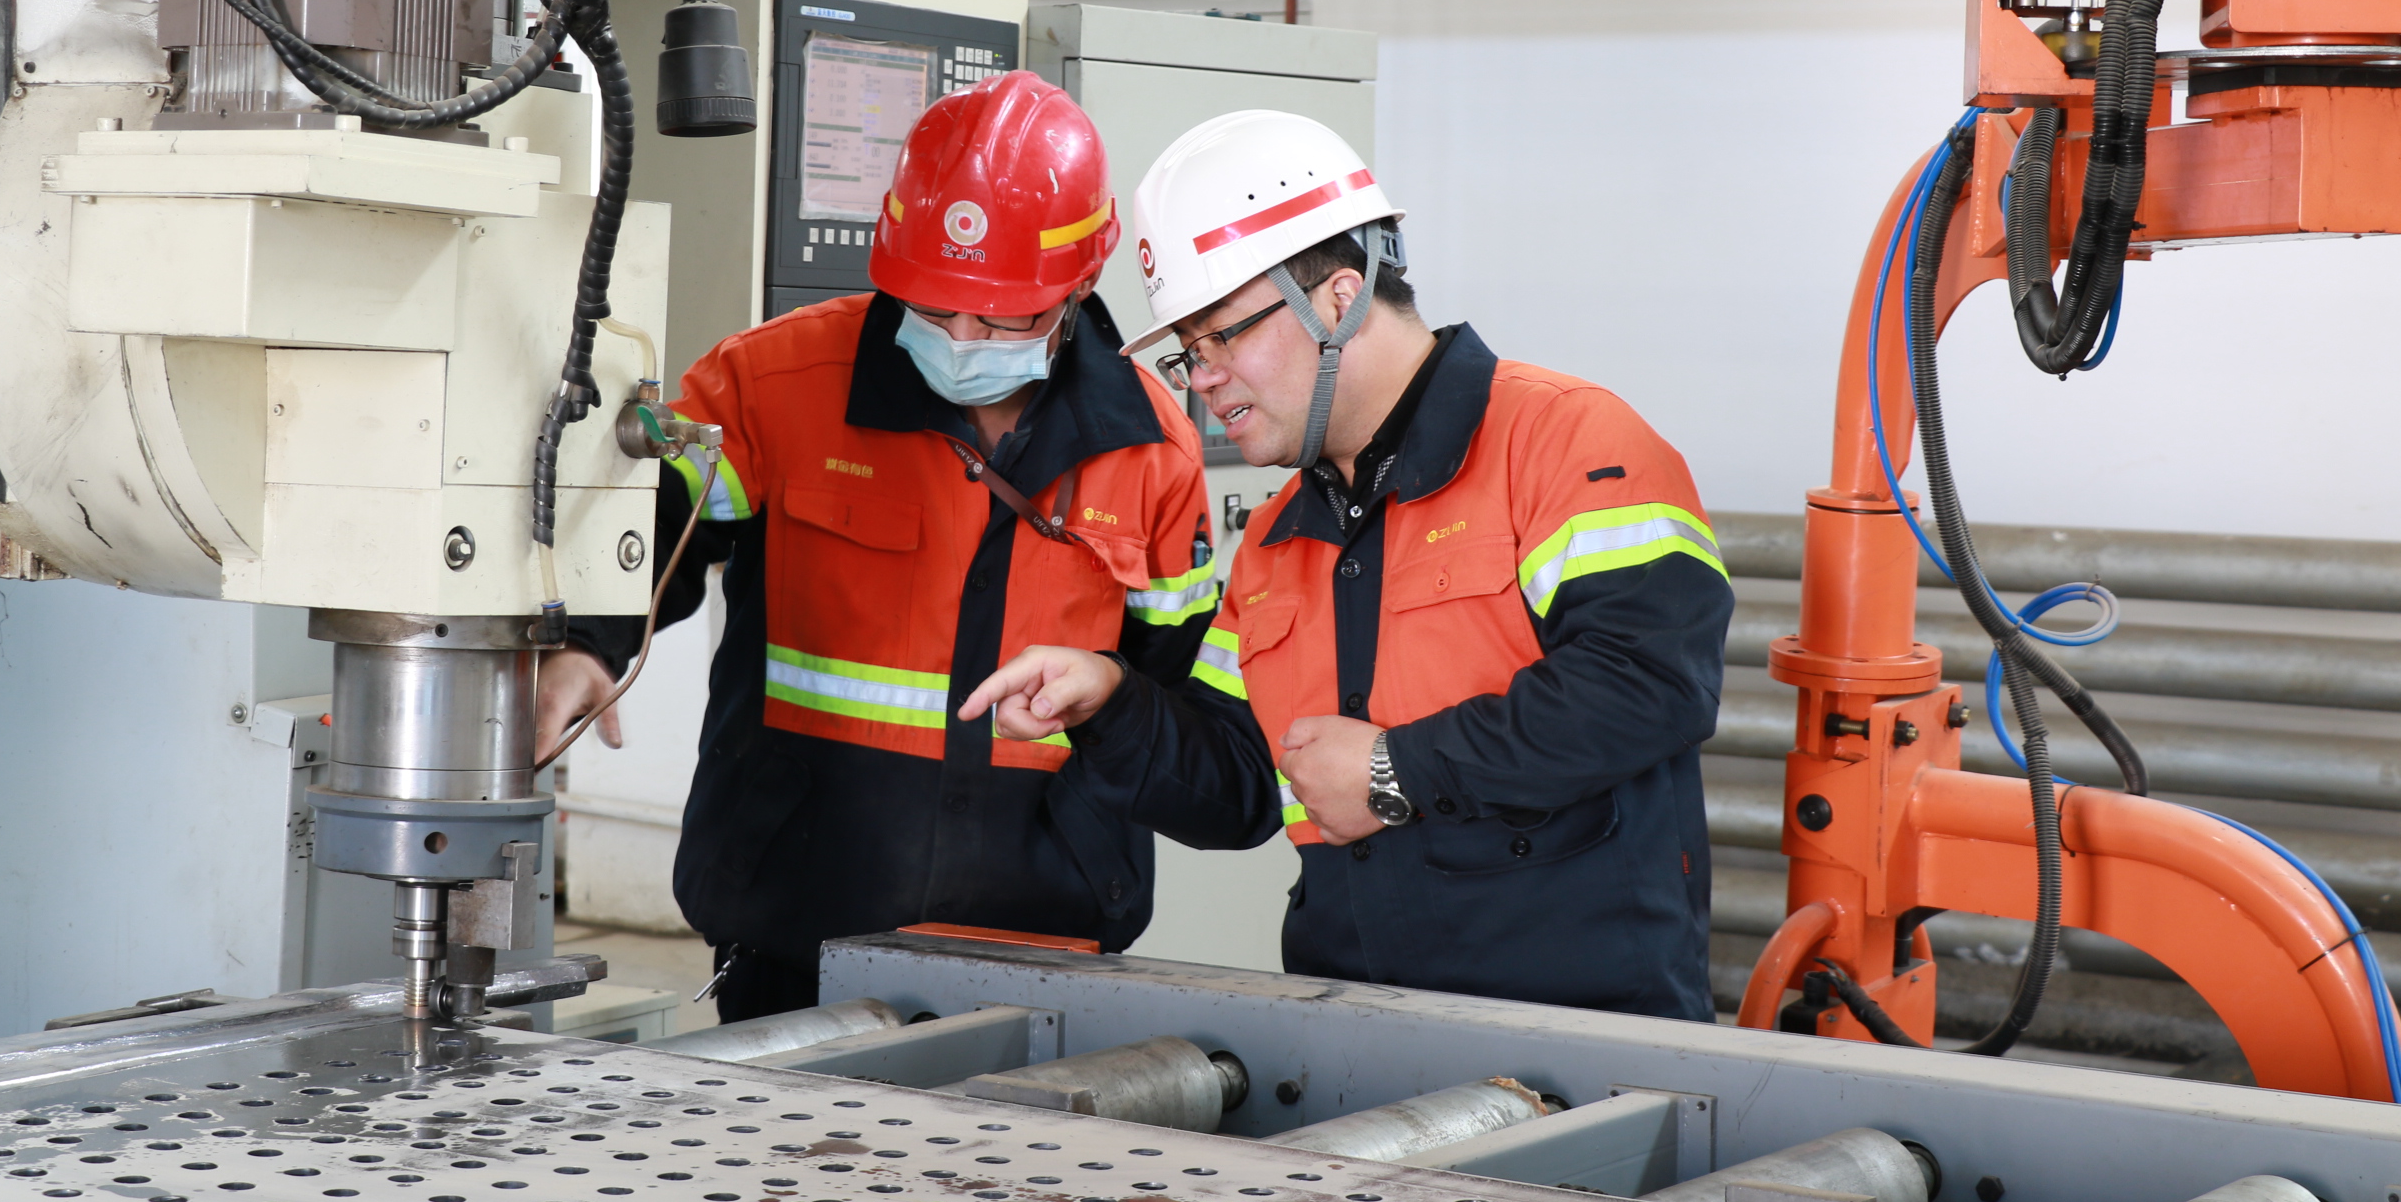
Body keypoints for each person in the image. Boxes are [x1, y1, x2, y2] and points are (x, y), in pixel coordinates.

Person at [958, 110, 1731, 1018]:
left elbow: (1650, 683)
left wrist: (1398, 770)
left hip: (1585, 1033)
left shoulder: (1567, 441)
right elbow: (1240, 785)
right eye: (1187, 352)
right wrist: (1110, 701)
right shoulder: (1276, 539)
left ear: (1337, 298)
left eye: (1224, 335)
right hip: (1354, 1032)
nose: (1201, 378)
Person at [535, 71, 1218, 1021]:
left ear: (1081, 282)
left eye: (1004, 314)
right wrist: (588, 645)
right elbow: (650, 528)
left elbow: (1172, 694)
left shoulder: (1153, 452)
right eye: (933, 306)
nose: (964, 337)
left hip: (1044, 946)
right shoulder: (771, 383)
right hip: (795, 930)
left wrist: (1109, 704)